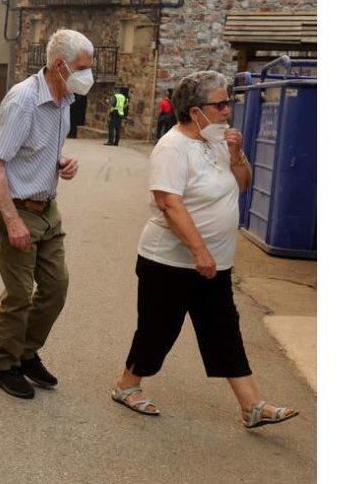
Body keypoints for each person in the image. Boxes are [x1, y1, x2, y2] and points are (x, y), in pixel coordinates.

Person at [109, 70, 299, 430]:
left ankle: (252, 406)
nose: (228, 110)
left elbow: (242, 186)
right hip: (169, 261)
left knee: (224, 330)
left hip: (216, 261)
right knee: (158, 330)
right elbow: (169, 203)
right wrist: (200, 252)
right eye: (221, 104)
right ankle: (126, 385)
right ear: (196, 111)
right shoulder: (172, 148)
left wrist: (236, 153)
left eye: (228, 103)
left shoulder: (216, 142)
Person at [0, 29, 92, 399]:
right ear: (60, 65)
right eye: (82, 67)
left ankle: (26, 354)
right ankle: (5, 365)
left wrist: (61, 161)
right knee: (19, 294)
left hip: (48, 208)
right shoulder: (23, 101)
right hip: (15, 208)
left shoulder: (64, 101)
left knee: (56, 288)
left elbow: (38, 149)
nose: (86, 75)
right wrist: (12, 220)